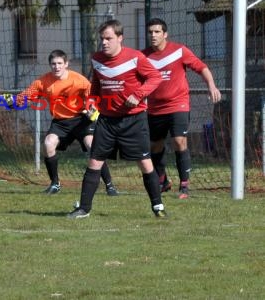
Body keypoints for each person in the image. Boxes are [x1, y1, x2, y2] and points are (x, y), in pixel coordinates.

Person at [68, 19, 167, 219]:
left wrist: (138, 94)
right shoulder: (96, 59)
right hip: (107, 121)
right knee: (94, 162)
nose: (104, 42)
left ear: (120, 38)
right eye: (102, 38)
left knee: (145, 163)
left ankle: (158, 207)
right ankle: (84, 209)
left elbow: (155, 77)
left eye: (109, 38)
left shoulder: (135, 57)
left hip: (134, 120)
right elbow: (96, 83)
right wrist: (92, 101)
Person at [13, 49, 118, 196]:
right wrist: (12, 102)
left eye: (59, 63)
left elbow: (93, 97)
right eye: (53, 64)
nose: (56, 67)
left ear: (66, 64)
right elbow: (26, 97)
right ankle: (55, 184)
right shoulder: (42, 82)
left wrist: (92, 109)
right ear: (50, 65)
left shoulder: (79, 80)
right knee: (48, 144)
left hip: (81, 120)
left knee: (92, 146)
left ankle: (110, 186)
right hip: (60, 122)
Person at [142, 18, 221, 199]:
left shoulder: (179, 50)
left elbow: (202, 67)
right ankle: (163, 181)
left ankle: (184, 186)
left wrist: (212, 85)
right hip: (154, 108)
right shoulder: (143, 56)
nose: (153, 35)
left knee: (179, 141)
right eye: (150, 32)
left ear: (165, 34)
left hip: (178, 104)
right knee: (155, 146)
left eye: (157, 32)